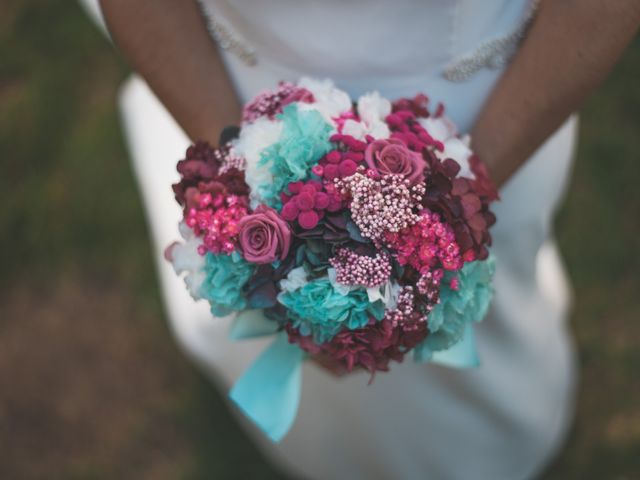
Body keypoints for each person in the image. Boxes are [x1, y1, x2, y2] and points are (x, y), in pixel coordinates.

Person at [88, 1, 640, 478]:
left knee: (483, 305)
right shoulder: (247, 165)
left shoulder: (470, 181)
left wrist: (458, 202)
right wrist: (241, 174)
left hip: (493, 121)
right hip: (237, 100)